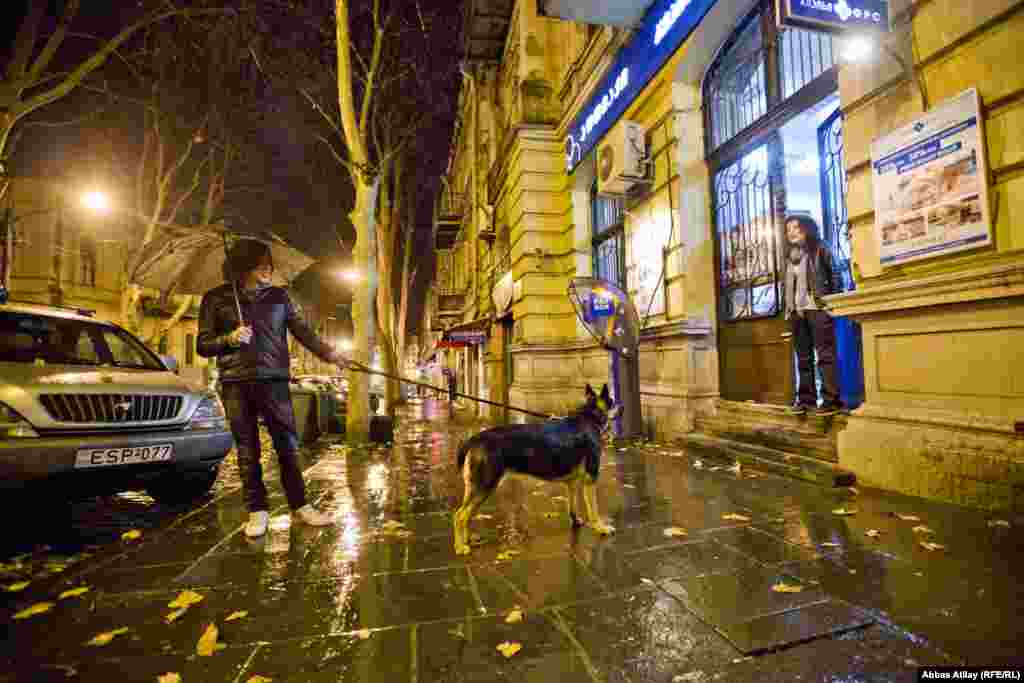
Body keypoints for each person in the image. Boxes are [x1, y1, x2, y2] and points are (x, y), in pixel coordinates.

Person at [197, 239, 353, 538]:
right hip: (235, 383)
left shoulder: (280, 296)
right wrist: (229, 339)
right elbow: (203, 345)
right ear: (243, 266)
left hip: (275, 381)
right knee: (247, 451)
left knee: (288, 448)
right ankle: (257, 511)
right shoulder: (215, 299)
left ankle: (301, 505)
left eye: (269, 263)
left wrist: (332, 355)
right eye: (261, 263)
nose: (268, 268)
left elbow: (303, 332)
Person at [783, 214, 842, 417]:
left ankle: (831, 400)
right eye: (788, 228)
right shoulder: (791, 255)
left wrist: (831, 304)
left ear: (807, 228)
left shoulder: (821, 247)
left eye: (796, 228)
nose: (791, 232)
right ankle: (806, 400)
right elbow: (789, 284)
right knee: (803, 358)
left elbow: (836, 274)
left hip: (818, 307)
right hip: (797, 312)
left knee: (825, 356)